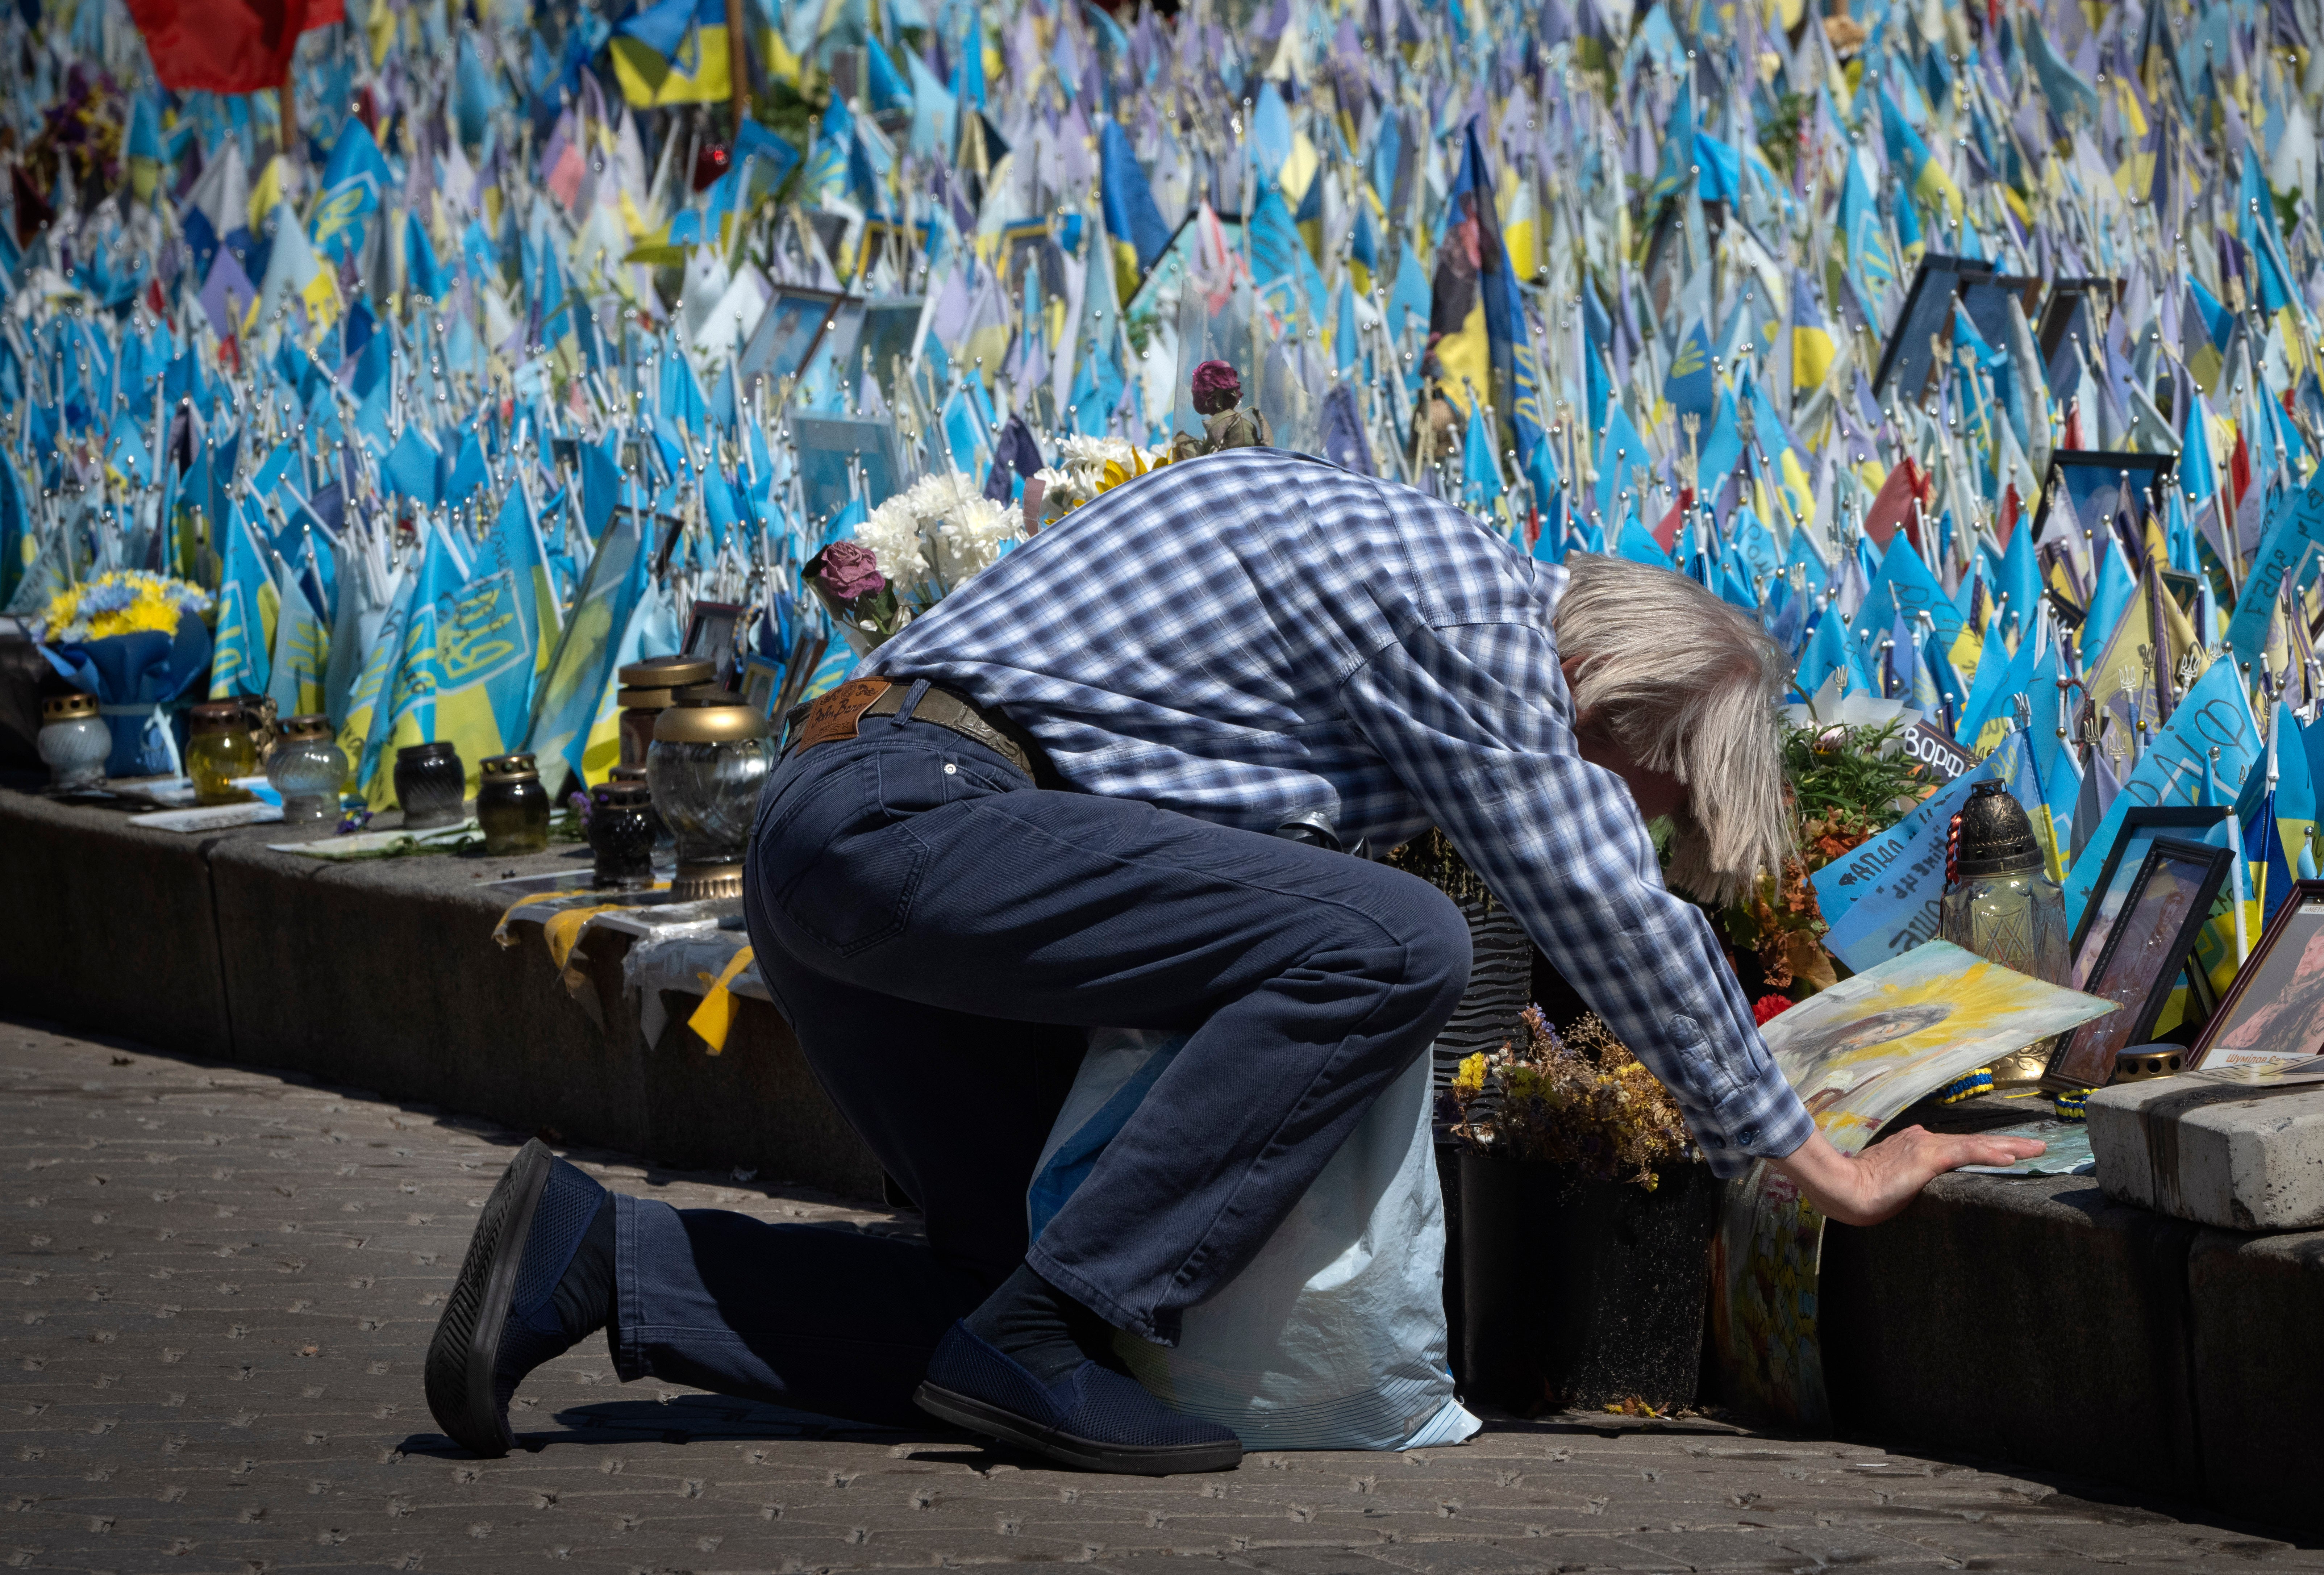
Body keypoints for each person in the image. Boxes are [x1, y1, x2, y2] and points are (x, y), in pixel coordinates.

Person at [425, 450, 2039, 1474]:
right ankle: (1064, 1312)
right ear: (1623, 713)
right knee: (1396, 942)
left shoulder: (1419, 592)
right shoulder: (1478, 625)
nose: (1636, 820)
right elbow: (1610, 905)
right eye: (1656, 792)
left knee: (987, 1298)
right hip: (911, 819)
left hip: (852, 827)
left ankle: (602, 1258)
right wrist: (1815, 1159)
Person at [2207, 910, 2324, 1056]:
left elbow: (2307, 1060)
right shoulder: (2287, 994)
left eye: (2323, 948)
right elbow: (2229, 1045)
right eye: (2309, 949)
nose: (2309, 956)